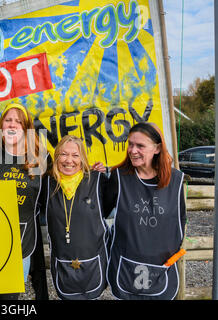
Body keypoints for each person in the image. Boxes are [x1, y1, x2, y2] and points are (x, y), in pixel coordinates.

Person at [105, 122, 186, 300]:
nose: (132, 150)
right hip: (125, 268)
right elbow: (99, 213)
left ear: (157, 148)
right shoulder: (119, 178)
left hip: (161, 270)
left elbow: (180, 222)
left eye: (140, 145)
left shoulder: (176, 181)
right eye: (130, 144)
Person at [0, 103, 49, 299]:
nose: (13, 125)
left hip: (23, 240)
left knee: (8, 298)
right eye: (8, 120)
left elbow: (58, 187)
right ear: (1, 125)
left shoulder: (41, 158)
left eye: (19, 122)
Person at [44, 135, 109, 300]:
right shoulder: (47, 185)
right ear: (57, 156)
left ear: (83, 159)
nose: (69, 160)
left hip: (94, 264)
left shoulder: (97, 180)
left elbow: (111, 209)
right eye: (64, 154)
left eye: (75, 155)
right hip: (63, 264)